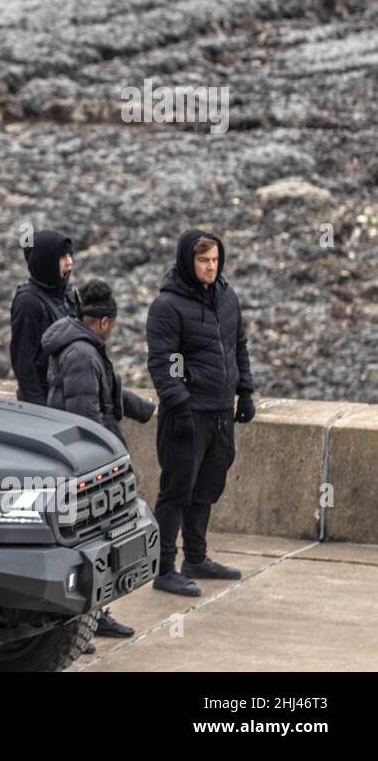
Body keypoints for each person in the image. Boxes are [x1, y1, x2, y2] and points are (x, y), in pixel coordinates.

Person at [42, 278, 156, 639]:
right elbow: (85, 418)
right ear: (104, 322)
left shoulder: (84, 348)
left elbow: (110, 396)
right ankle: (85, 622)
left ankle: (90, 617)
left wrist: (146, 410)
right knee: (90, 545)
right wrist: (103, 467)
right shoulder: (83, 353)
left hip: (81, 468)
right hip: (86, 471)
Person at [147, 230, 256, 597]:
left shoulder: (227, 297)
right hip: (188, 414)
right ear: (187, 262)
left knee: (208, 487)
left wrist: (246, 391)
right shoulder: (168, 306)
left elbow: (238, 345)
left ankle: (195, 558)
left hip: (222, 411)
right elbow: (164, 362)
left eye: (215, 260)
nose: (211, 267)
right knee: (177, 490)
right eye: (203, 261)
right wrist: (180, 405)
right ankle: (164, 569)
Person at [10, 229, 81, 404]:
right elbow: (23, 365)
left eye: (70, 255)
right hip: (47, 404)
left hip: (69, 398)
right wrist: (40, 411)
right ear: (46, 261)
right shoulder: (28, 303)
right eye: (63, 257)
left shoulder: (68, 295)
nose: (70, 262)